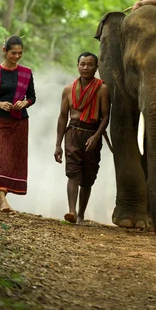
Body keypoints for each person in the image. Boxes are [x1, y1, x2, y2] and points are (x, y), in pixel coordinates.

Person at [0, 35, 36, 212]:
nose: (17, 56)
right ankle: (3, 201)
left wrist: (25, 103)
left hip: (19, 121)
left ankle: (0, 199)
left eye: (20, 53)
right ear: (4, 51)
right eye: (13, 53)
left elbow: (32, 97)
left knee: (13, 160)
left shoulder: (26, 73)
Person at [54, 52, 110, 225]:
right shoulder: (68, 90)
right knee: (73, 172)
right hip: (73, 132)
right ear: (77, 66)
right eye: (82, 64)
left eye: (89, 65)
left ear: (96, 67)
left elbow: (106, 116)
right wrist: (58, 145)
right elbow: (63, 117)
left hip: (92, 133)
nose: (85, 68)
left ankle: (81, 215)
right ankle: (71, 211)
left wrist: (96, 136)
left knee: (87, 177)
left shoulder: (102, 89)